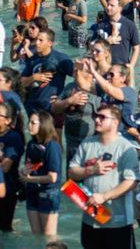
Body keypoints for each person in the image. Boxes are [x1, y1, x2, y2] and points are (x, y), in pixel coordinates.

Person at [68, 104, 140, 249]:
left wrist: (104, 196)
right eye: (96, 116)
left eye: (102, 117)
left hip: (117, 221)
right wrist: (90, 170)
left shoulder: (126, 148)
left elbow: (131, 182)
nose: (97, 120)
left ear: (115, 123)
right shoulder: (87, 143)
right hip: (90, 218)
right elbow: (72, 172)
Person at [19, 110, 61, 237]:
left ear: (43, 124)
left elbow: (52, 177)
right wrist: (23, 171)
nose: (29, 125)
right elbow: (29, 167)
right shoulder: (32, 144)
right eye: (29, 122)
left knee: (49, 237)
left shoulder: (52, 146)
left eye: (33, 123)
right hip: (32, 192)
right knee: (36, 236)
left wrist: (29, 179)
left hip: (47, 193)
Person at [20, 28, 74, 117]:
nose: (37, 42)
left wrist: (65, 97)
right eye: (37, 39)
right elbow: (20, 81)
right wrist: (33, 77)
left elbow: (79, 78)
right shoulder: (33, 59)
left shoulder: (61, 59)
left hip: (52, 108)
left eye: (41, 40)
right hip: (32, 107)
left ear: (50, 43)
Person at [92, 0, 140, 67]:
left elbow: (136, 48)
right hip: (104, 66)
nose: (108, 7)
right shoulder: (100, 25)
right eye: (108, 5)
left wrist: (131, 66)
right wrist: (106, 42)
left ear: (120, 8)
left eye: (112, 5)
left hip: (122, 66)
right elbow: (91, 45)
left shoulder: (129, 25)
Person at [0, 102, 25, 231]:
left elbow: (5, 167)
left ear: (8, 120)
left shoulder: (13, 138)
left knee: (4, 228)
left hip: (7, 189)